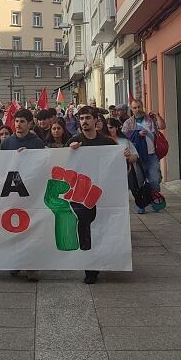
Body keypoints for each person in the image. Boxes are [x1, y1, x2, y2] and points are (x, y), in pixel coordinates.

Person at [66, 107, 117, 285]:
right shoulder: (73, 142)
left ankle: (103, 260)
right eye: (81, 118)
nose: (84, 121)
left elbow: (117, 166)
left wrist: (126, 156)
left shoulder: (108, 143)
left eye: (88, 118)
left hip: (102, 192)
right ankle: (90, 268)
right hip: (80, 194)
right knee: (85, 227)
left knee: (101, 227)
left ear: (96, 120)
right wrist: (69, 152)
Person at [0, 109, 44, 283]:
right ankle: (14, 262)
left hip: (31, 194)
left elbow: (43, 164)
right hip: (12, 193)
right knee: (13, 229)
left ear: (30, 124)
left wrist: (30, 157)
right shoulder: (7, 142)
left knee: (31, 231)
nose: (18, 124)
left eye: (22, 121)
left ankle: (32, 269)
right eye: (16, 121)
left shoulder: (37, 142)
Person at [122, 98, 166, 212]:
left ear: (142, 107)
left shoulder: (150, 119)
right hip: (137, 157)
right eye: (134, 108)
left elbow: (162, 126)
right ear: (131, 109)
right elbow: (124, 136)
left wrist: (157, 116)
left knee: (154, 180)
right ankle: (141, 204)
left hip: (151, 155)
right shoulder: (128, 123)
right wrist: (137, 133)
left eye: (139, 107)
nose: (137, 109)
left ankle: (151, 198)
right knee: (139, 182)